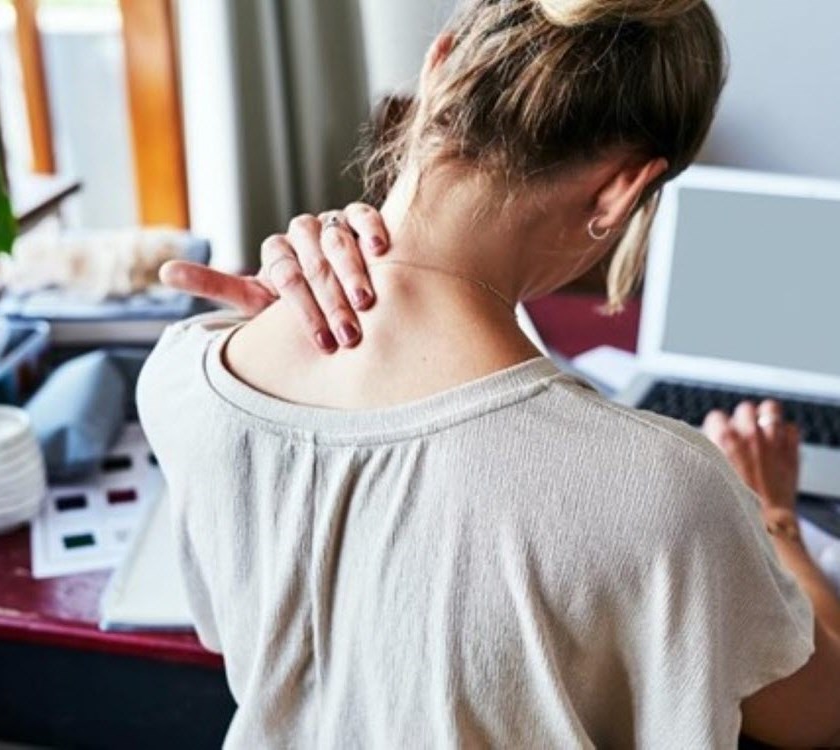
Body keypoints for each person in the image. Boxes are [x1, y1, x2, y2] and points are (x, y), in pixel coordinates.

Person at [137, 0, 840, 746]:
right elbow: (821, 713)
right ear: (622, 191)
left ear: (436, 66)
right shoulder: (669, 493)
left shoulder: (183, 378)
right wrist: (770, 514)